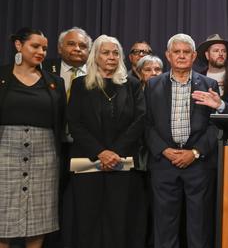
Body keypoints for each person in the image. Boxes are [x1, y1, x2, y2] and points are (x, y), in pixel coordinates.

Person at [64, 35, 147, 248]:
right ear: (96, 56)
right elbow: (74, 123)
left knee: (118, 220)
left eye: (115, 53)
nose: (111, 57)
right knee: (87, 220)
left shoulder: (132, 85)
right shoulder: (80, 84)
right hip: (87, 163)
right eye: (106, 52)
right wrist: (101, 152)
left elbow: (140, 121)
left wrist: (114, 152)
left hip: (122, 163)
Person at [144, 34, 220, 248]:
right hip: (163, 164)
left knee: (199, 227)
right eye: (176, 52)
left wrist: (194, 152)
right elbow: (146, 124)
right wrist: (164, 150)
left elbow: (215, 125)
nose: (181, 56)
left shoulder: (209, 84)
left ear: (194, 56)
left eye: (186, 52)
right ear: (168, 55)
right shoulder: (152, 86)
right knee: (164, 227)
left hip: (198, 165)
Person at [0, 28, 66, 248]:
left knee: (40, 216)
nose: (41, 52)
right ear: (19, 45)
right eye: (35, 46)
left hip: (44, 154)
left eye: (45, 48)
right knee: (3, 214)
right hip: (5, 151)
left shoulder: (55, 82)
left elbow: (61, 119)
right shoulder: (2, 77)